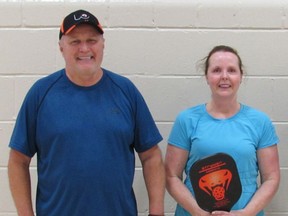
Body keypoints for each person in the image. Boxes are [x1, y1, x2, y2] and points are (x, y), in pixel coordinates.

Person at [8, 9, 165, 216]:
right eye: (75, 41)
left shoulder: (125, 91)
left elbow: (151, 156)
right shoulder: (41, 94)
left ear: (103, 45)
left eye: (92, 40)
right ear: (61, 48)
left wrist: (156, 210)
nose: (84, 48)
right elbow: (18, 161)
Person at [165, 45, 280, 216]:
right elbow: (171, 176)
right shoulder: (186, 120)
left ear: (241, 76)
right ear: (207, 76)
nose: (224, 77)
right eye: (217, 70)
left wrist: (244, 213)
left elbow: (271, 178)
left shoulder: (260, 122)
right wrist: (199, 212)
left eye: (232, 70)